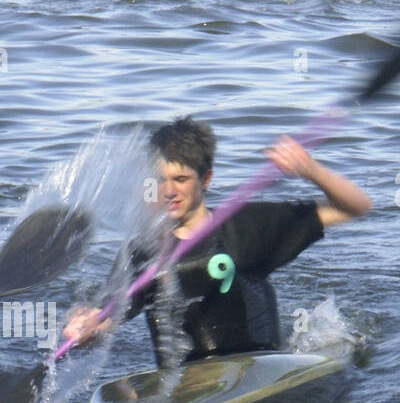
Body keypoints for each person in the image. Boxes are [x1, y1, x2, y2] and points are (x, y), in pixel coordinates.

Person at [64, 115, 371, 365]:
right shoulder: (143, 251)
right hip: (185, 386)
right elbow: (109, 316)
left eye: (181, 180)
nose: (169, 191)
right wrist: (86, 324)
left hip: (259, 369)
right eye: (160, 181)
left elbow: (356, 207)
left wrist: (311, 170)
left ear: (206, 179)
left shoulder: (248, 226)